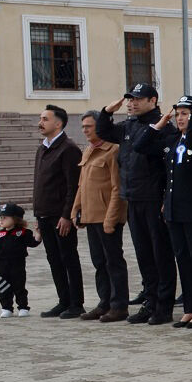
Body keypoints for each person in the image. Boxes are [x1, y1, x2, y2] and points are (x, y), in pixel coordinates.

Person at [132, 95, 192, 329]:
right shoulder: (172, 140)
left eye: (185, 114)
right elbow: (141, 146)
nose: (179, 118)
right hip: (174, 211)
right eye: (177, 114)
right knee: (183, 260)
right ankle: (189, 307)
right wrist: (159, 124)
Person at [97, 83, 175, 324]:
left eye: (138, 99)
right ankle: (150, 302)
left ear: (153, 100)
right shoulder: (129, 126)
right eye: (130, 99)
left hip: (154, 199)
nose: (132, 103)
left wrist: (165, 198)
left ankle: (164, 306)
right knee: (143, 255)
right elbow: (105, 132)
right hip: (133, 198)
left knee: (160, 255)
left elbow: (167, 168)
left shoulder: (163, 126)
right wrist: (106, 112)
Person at [71, 110, 129, 322]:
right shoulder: (88, 150)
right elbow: (82, 184)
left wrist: (111, 218)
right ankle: (104, 302)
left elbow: (117, 188)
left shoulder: (113, 150)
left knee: (113, 261)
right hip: (91, 215)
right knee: (99, 262)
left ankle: (119, 305)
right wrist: (76, 209)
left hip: (107, 217)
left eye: (89, 126)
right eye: (83, 127)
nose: (85, 130)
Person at [32, 104, 84, 318]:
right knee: (53, 259)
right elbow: (39, 183)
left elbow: (73, 186)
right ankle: (63, 301)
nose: (40, 123)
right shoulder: (42, 147)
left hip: (60, 216)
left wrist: (66, 215)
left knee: (68, 258)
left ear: (58, 123)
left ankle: (76, 303)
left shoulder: (69, 148)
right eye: (40, 118)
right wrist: (37, 214)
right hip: (44, 214)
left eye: (45, 119)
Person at [0, 202, 38, 316]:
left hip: (18, 265)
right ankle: (6, 308)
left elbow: (32, 243)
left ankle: (23, 307)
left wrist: (38, 235)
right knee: (3, 287)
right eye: (1, 217)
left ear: (16, 219)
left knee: (19, 286)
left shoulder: (23, 233)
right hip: (3, 266)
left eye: (5, 217)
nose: (1, 220)